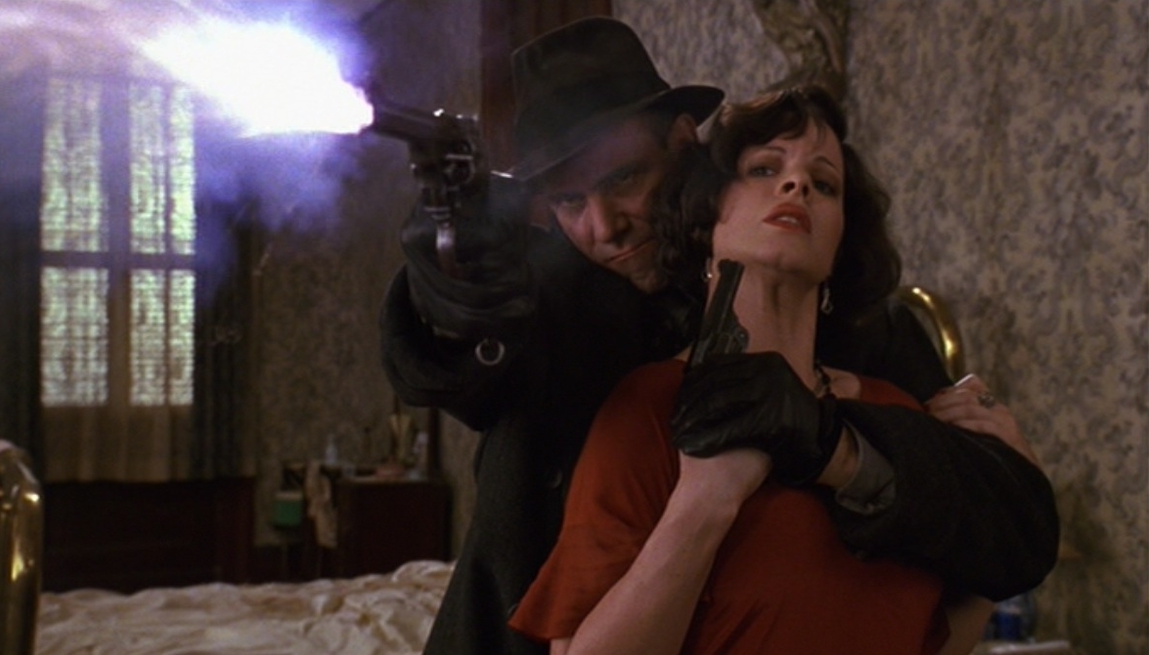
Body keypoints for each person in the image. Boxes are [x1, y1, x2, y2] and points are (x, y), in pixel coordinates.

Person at [379, 17, 1057, 655]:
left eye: (625, 178)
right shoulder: (548, 293)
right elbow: (447, 362)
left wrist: (851, 447)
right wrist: (445, 277)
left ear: (684, 147)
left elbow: (989, 538)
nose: (603, 226)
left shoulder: (864, 335)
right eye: (568, 201)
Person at [509, 85, 997, 655]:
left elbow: (931, 638)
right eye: (764, 169)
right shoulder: (651, 410)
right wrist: (705, 502)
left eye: (824, 184)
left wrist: (1004, 475)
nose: (796, 185)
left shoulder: (892, 411)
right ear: (706, 214)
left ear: (841, 238)